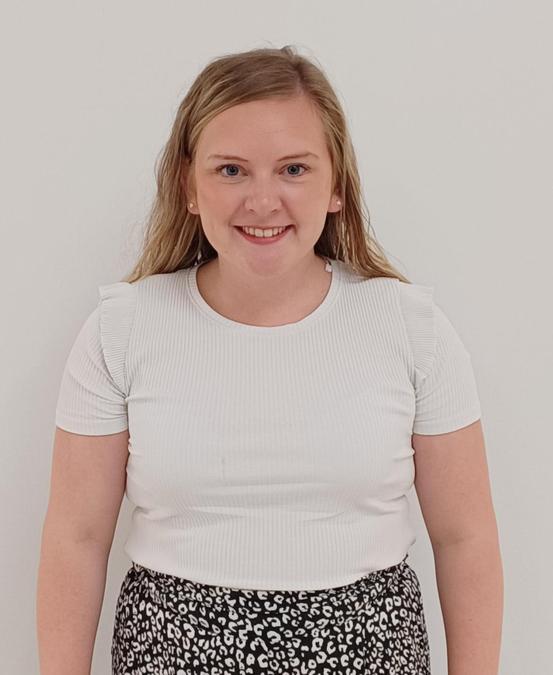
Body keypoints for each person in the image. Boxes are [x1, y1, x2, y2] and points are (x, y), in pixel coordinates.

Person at [37, 45, 503, 675]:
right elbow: (77, 538)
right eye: (231, 170)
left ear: (336, 185)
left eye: (293, 169)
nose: (263, 201)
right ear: (189, 186)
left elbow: (465, 539)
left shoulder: (410, 327)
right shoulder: (122, 330)